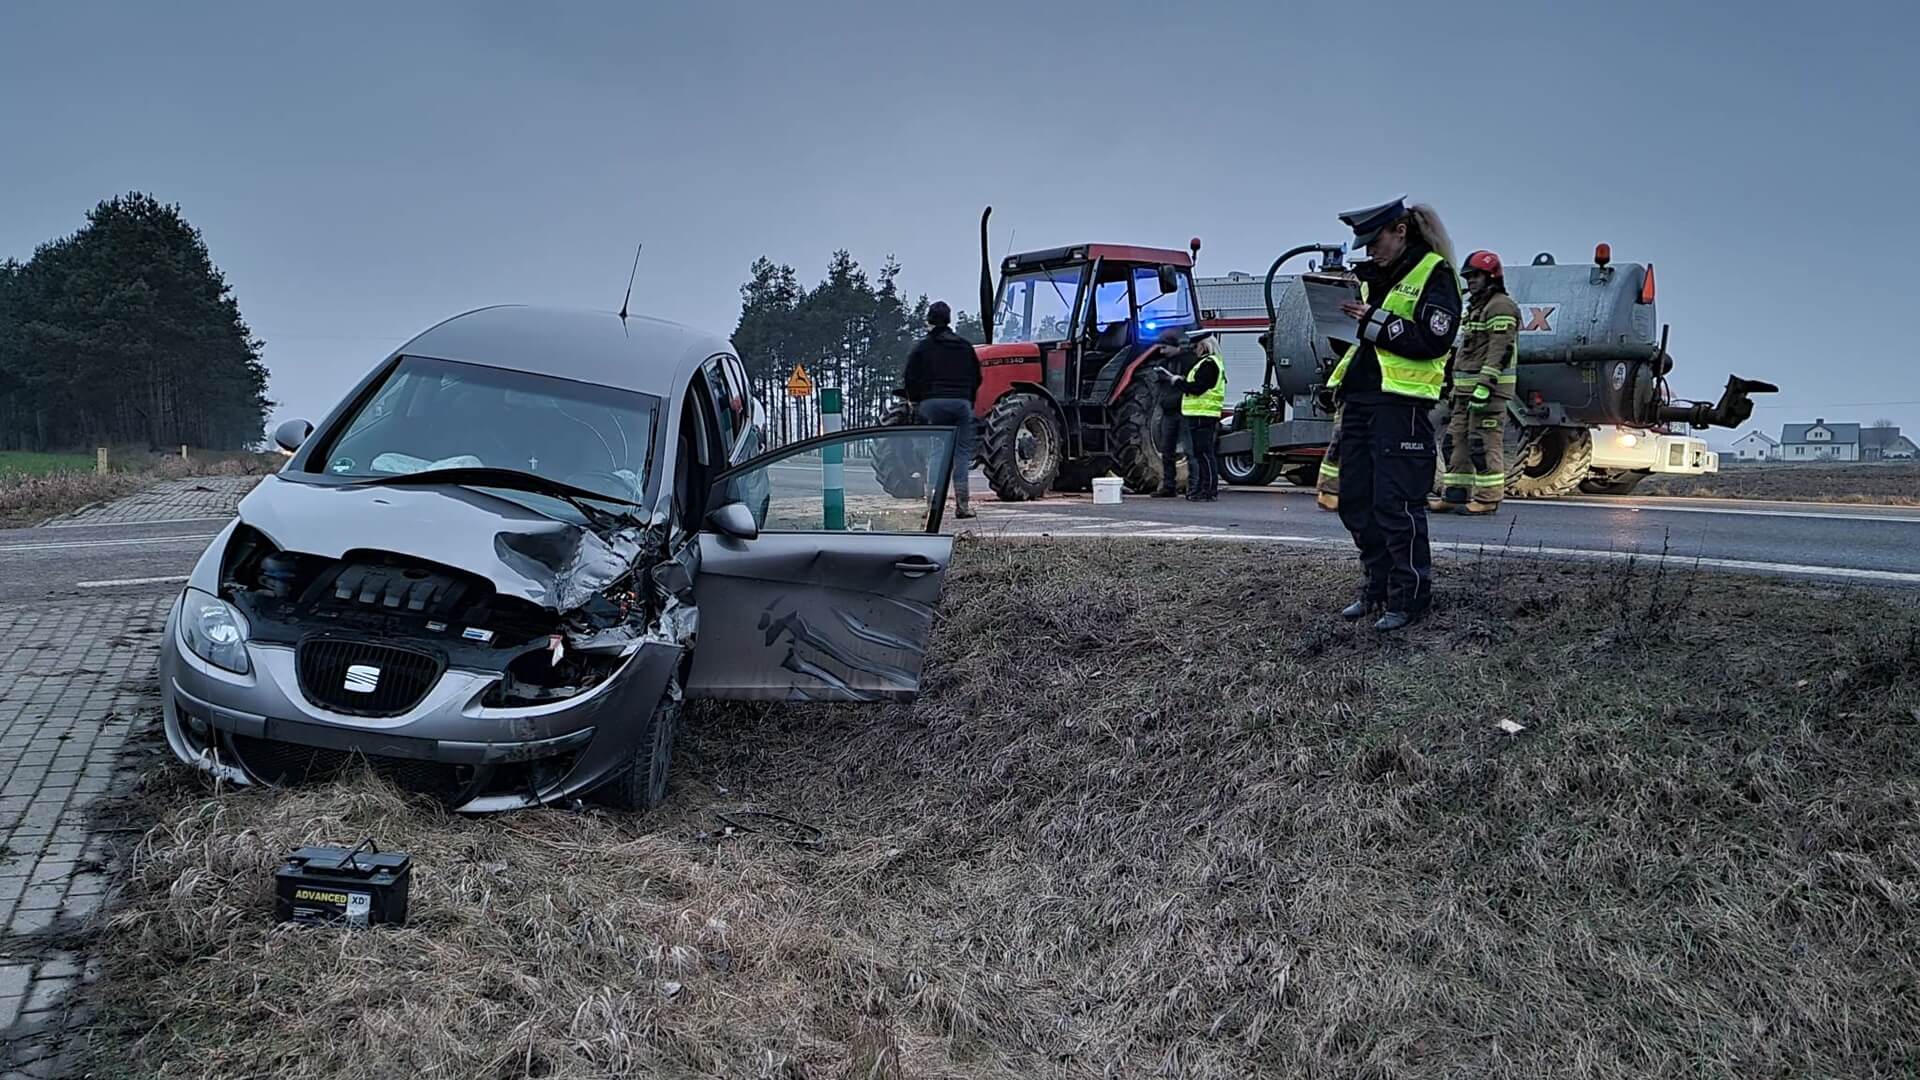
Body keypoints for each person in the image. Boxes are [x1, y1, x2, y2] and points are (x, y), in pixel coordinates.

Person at [1325, 196, 1462, 631]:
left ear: (1400, 231)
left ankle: (1408, 598)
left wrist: (1375, 320)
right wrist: (1335, 319)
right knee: (1356, 502)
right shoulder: (1369, 279)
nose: (1370, 252)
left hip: (1402, 404)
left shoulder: (1435, 274)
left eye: (1375, 241)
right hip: (1361, 399)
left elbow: (1433, 340)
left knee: (1396, 505)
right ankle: (1377, 587)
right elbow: (1357, 341)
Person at [1431, 250, 1519, 515]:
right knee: (1454, 442)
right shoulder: (1477, 308)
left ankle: (1488, 498)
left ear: (1491, 277)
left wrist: (1485, 384)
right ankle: (1455, 495)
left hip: (1487, 394)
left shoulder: (1500, 306)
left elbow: (1500, 349)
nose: (1471, 281)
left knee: (1483, 444)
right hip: (1464, 394)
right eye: (1468, 277)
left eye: (1476, 276)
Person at [903, 300, 982, 518]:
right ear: (949, 320)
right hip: (961, 404)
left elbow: (910, 376)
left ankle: (932, 506)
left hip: (933, 404)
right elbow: (977, 377)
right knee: (962, 454)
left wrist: (916, 401)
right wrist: (969, 400)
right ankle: (962, 506)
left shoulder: (923, 347)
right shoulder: (964, 346)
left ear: (928, 320)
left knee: (938, 451)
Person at [1165, 330, 1225, 500]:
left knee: (1204, 454)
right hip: (1201, 414)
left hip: (1203, 415)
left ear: (1204, 346)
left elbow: (1198, 388)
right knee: (1202, 454)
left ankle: (1208, 490)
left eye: (1197, 346)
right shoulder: (1209, 363)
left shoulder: (1208, 364)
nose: (1195, 349)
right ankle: (1203, 489)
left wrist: (1179, 382)